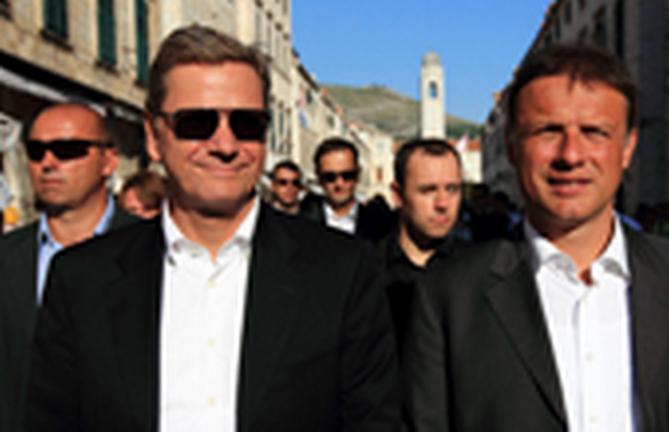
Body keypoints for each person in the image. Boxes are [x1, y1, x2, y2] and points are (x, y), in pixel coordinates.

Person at [24, 24, 399, 432]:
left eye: (247, 124)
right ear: (154, 137)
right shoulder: (81, 281)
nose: (225, 145)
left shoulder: (342, 271)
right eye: (197, 123)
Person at [403, 44, 669, 432]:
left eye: (595, 132)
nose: (571, 155)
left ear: (627, 148)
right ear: (512, 147)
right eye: (548, 131)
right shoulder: (448, 296)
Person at [0, 103, 136, 431]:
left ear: (109, 161)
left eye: (67, 150)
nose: (48, 163)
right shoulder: (8, 256)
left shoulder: (153, 250)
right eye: (36, 151)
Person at [379, 138, 463, 347]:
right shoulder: (368, 272)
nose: (442, 203)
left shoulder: (481, 269)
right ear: (398, 195)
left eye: (452, 189)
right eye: (428, 190)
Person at [302, 137, 394, 241]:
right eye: (330, 177)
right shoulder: (301, 222)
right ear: (319, 177)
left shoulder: (380, 225)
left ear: (358, 174)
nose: (339, 183)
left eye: (347, 175)